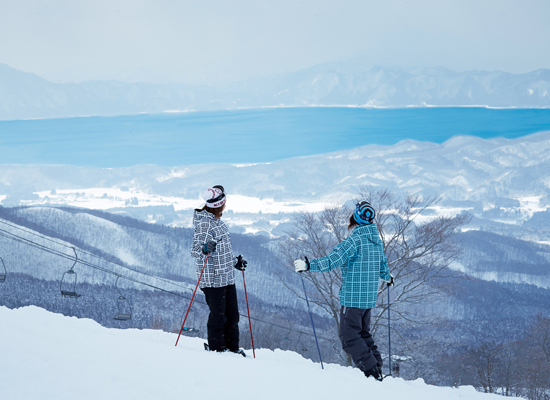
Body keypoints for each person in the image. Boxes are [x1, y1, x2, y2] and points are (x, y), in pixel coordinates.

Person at [294, 201, 394, 380]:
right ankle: (377, 366)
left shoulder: (354, 241)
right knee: (363, 334)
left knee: (348, 337)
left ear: (355, 217)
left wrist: (308, 265)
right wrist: (388, 277)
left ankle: (371, 372)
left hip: (353, 299)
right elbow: (382, 264)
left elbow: (332, 260)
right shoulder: (376, 241)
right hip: (368, 299)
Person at [191, 185, 248, 356]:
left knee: (232, 316)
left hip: (227, 277)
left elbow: (222, 252)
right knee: (218, 316)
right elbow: (195, 251)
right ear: (219, 204)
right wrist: (204, 248)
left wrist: (235, 262)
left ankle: (232, 348)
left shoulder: (218, 222)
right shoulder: (204, 225)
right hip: (212, 279)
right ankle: (218, 349)